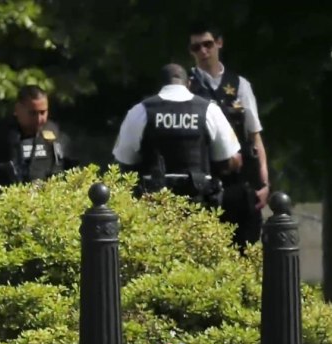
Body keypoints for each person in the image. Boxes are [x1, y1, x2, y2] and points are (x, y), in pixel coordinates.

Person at [112, 63, 242, 207]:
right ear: (189, 83)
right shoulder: (209, 110)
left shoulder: (140, 110)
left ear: (160, 85)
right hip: (198, 204)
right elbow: (228, 159)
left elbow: (125, 161)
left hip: (154, 204)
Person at [187, 22, 270, 247]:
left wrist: (264, 183)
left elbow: (255, 137)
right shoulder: (187, 88)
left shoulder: (240, 85)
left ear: (219, 43)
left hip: (240, 182)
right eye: (196, 48)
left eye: (208, 44)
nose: (203, 51)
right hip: (204, 181)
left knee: (246, 248)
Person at [0, 85, 68, 199]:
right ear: (17, 110)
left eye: (43, 112)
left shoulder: (56, 137)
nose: (38, 119)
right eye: (32, 113)